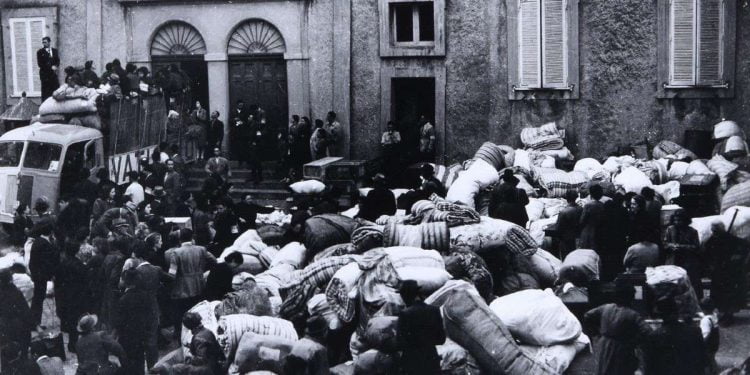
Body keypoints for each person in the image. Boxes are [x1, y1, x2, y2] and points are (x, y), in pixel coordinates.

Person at [583, 283, 651, 375]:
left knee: (604, 369)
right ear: (630, 297)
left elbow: (587, 315)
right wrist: (635, 341)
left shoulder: (606, 308)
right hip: (622, 347)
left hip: (604, 344)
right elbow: (647, 331)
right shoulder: (632, 314)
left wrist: (596, 332)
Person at [166, 228, 217, 339]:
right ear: (192, 238)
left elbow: (172, 274)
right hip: (199, 285)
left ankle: (181, 335)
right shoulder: (201, 249)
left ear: (180, 239)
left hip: (182, 288)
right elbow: (214, 261)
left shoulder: (176, 253)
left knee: (181, 313)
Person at [642, 297, 706, 375]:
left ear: (660, 315)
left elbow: (649, 369)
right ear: (677, 312)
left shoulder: (654, 337)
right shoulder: (694, 332)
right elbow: (703, 361)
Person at [396, 280, 445, 375]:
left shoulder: (405, 314)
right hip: (431, 360)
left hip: (412, 363)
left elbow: (400, 343)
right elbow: (441, 339)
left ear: (405, 296)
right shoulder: (434, 310)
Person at [705, 221, 749, 325]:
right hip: (718, 271)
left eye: (716, 230)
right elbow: (707, 250)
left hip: (730, 272)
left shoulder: (731, 239)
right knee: (718, 295)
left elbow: (745, 246)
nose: (714, 232)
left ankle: (729, 315)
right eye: (713, 230)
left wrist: (737, 257)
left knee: (729, 295)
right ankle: (723, 313)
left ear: (721, 230)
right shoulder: (712, 240)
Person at [55, 241, 89, 352]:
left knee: (68, 318)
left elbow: (57, 282)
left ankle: (71, 343)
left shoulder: (61, 264)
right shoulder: (79, 265)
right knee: (76, 319)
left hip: (64, 294)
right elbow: (85, 282)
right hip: (77, 295)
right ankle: (75, 344)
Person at [114, 270, 149, 375]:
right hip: (140, 334)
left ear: (126, 281)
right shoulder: (144, 295)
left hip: (127, 336)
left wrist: (114, 336)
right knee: (139, 360)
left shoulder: (124, 299)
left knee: (127, 362)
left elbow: (119, 322)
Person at [663, 210, 703, 299]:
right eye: (676, 220)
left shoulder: (692, 231)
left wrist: (682, 247)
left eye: (680, 220)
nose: (677, 222)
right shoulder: (670, 229)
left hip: (687, 262)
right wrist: (671, 246)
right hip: (673, 261)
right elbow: (665, 243)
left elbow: (696, 247)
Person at [0, 269, 35, 368]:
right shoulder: (15, 292)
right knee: (23, 350)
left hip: (4, 327)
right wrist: (35, 325)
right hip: (18, 325)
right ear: (10, 279)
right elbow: (25, 311)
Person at [29, 218, 58, 327]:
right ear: (50, 231)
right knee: (39, 298)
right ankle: (35, 322)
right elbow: (50, 261)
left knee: (37, 298)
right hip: (42, 276)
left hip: (37, 274)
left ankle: (35, 322)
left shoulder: (37, 241)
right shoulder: (46, 244)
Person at [579, 184, 605, 250]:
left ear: (591, 194)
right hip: (599, 233)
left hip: (588, 233)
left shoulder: (588, 205)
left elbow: (582, 220)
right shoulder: (603, 205)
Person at [37, 36, 60, 100]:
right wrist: (50, 67)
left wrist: (56, 66)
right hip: (45, 76)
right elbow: (40, 64)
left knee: (55, 89)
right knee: (45, 92)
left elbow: (57, 60)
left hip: (53, 75)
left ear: (49, 42)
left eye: (45, 42)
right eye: (43, 42)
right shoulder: (40, 52)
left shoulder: (54, 51)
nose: (44, 44)